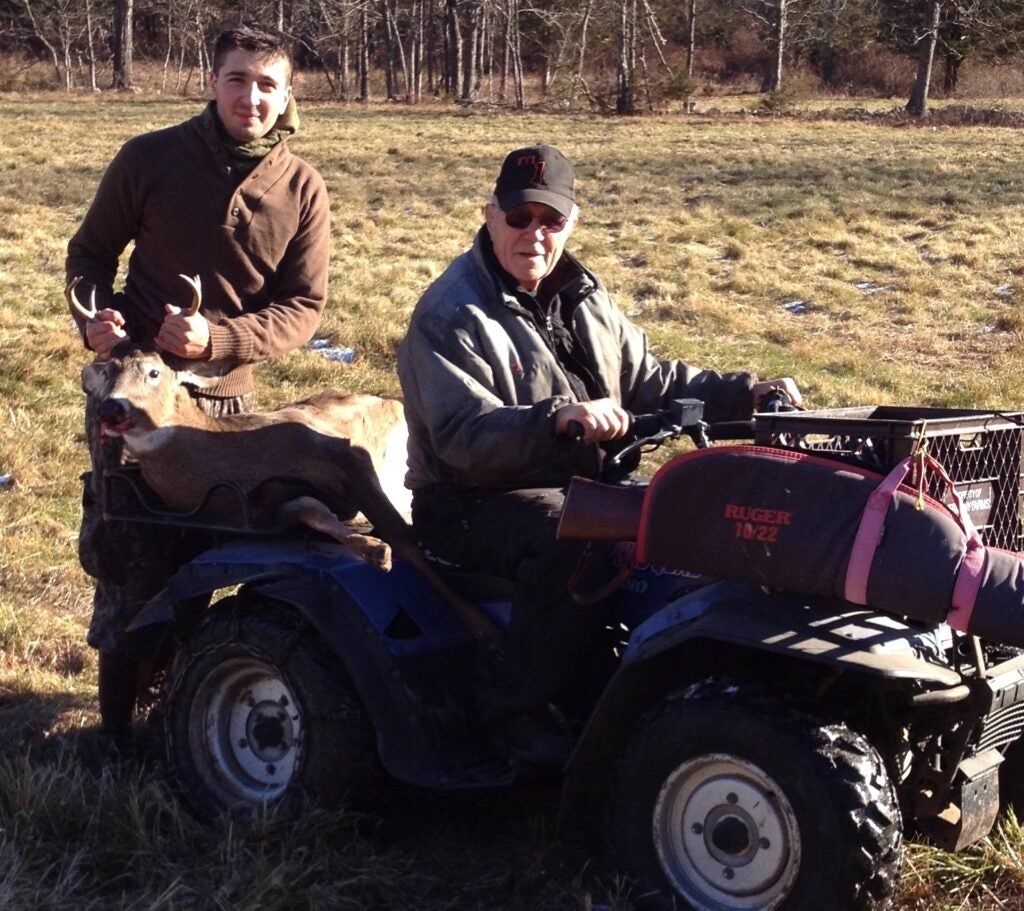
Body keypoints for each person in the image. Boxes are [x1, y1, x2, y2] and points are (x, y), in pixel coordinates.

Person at [397, 143, 800, 762]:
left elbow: (652, 378)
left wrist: (743, 393)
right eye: (519, 217)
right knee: (574, 543)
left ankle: (677, 697)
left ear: (571, 222)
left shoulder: (583, 295)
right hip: (472, 502)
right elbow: (463, 438)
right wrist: (555, 421)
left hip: (586, 486)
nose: (534, 234)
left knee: (705, 521)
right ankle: (512, 715)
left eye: (550, 220)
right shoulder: (451, 314)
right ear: (489, 215)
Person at [66, 23, 330, 761]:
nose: (252, 96)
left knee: (219, 554)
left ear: (287, 96)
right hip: (136, 390)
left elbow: (303, 308)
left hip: (229, 404)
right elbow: (89, 252)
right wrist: (96, 319)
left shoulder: (301, 187)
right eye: (238, 79)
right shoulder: (149, 159)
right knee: (132, 553)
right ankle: (116, 733)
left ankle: (196, 706)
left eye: (267, 84)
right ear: (210, 81)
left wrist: (219, 343)